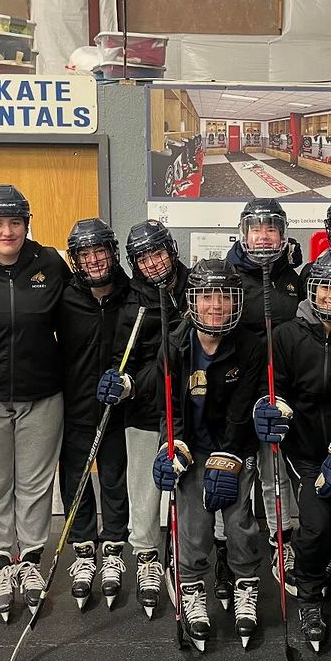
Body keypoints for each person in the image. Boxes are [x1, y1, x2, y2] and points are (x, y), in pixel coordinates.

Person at [257, 249, 331, 654]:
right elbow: (275, 392)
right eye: (325, 286)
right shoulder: (288, 336)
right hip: (304, 451)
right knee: (314, 528)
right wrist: (273, 413)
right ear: (313, 289)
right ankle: (309, 599)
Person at [0, 185, 70, 623]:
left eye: (15, 222)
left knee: (35, 485)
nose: (7, 232)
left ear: (27, 223)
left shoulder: (49, 264)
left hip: (42, 394)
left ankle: (30, 565)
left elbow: (79, 314)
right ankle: (0, 564)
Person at [151, 259, 265, 652]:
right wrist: (173, 445)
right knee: (194, 527)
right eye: (206, 296)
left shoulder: (251, 344)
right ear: (192, 300)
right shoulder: (175, 343)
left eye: (223, 296)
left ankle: (246, 585)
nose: (215, 305)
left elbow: (243, 406)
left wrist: (229, 456)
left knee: (238, 524)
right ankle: (192, 590)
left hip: (235, 447)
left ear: (235, 301)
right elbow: (170, 406)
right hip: (194, 448)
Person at [100, 219, 190, 619]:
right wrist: (124, 384)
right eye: (143, 258)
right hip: (143, 409)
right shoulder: (132, 304)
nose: (153, 264)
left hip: (188, 408)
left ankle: (189, 555)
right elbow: (125, 362)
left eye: (158, 253)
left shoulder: (194, 290)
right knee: (143, 486)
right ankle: (148, 556)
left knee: (186, 481)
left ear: (171, 251)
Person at [226, 198, 302, 597]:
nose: (263, 235)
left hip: (283, 388)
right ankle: (227, 546)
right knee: (238, 470)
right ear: (243, 233)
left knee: (277, 471)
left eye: (271, 228)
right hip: (240, 388)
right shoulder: (229, 276)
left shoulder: (294, 278)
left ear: (283, 234)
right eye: (256, 229)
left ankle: (282, 540)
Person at [57, 218, 134, 611]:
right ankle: (84, 550)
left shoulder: (132, 294)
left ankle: (115, 547)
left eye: (99, 251)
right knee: (75, 478)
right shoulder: (63, 296)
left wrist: (129, 384)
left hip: (120, 408)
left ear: (113, 252)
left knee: (116, 477)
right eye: (84, 254)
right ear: (75, 260)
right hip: (75, 408)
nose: (93, 260)